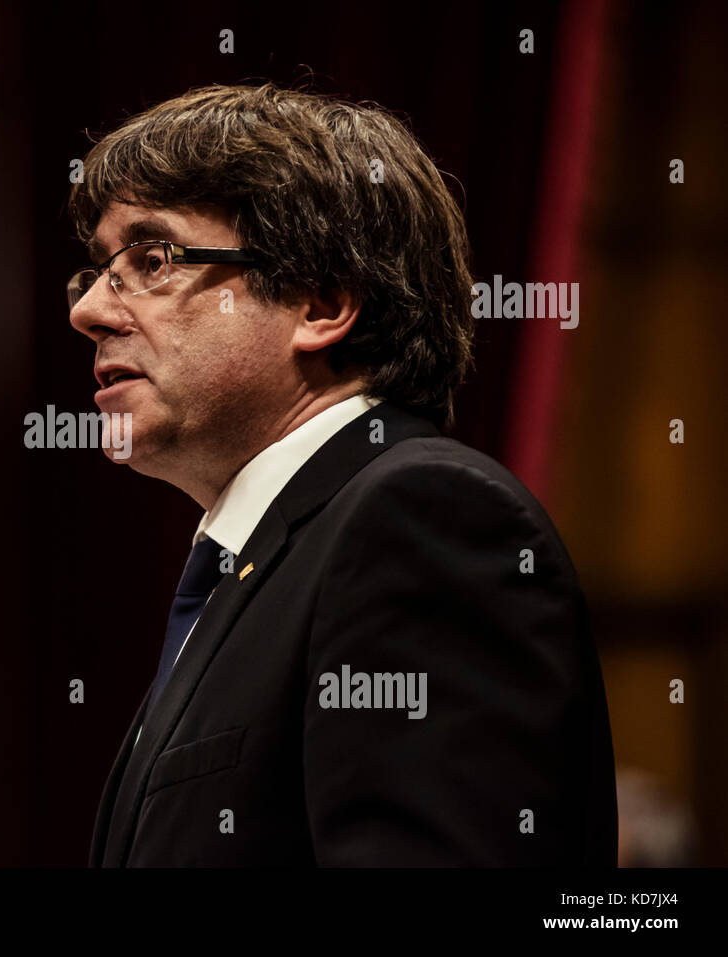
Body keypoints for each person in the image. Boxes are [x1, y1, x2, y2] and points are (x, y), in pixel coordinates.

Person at [66, 82, 617, 866]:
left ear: (320, 303)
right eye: (95, 271)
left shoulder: (423, 519)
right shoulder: (253, 569)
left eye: (152, 259)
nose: (87, 309)